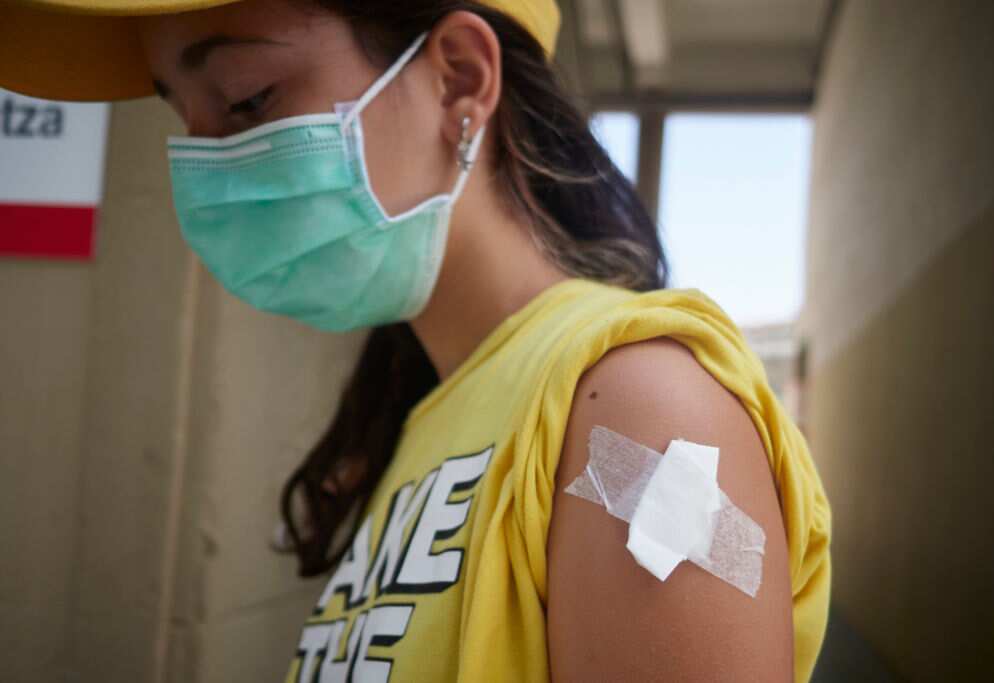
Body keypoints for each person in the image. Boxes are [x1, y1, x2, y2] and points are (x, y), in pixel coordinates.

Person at [0, 1, 831, 681]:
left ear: (460, 79)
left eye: (247, 98)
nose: (209, 161)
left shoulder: (641, 413)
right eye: (181, 116)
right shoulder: (421, 421)